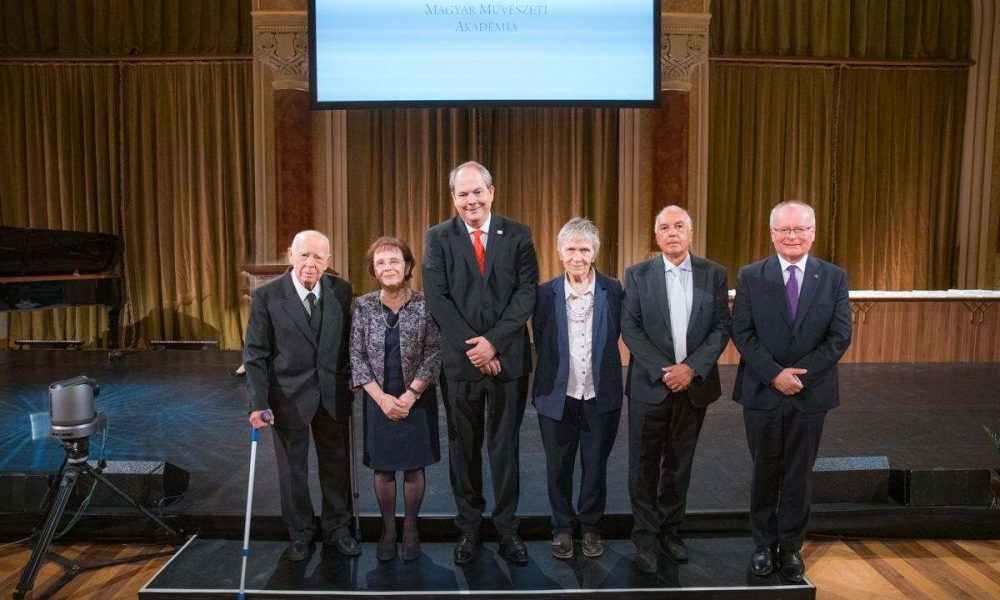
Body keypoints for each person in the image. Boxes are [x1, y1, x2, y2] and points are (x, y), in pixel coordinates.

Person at [422, 160, 539, 565]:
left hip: (508, 361)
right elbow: (438, 298)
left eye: (477, 192)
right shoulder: (438, 238)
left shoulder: (519, 235)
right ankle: (469, 529)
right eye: (462, 194)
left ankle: (508, 530)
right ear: (453, 198)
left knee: (505, 448)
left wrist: (494, 343)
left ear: (491, 192)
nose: (471, 200)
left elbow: (526, 294)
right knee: (464, 448)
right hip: (460, 363)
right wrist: (475, 348)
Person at [731, 200, 851, 582]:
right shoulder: (751, 276)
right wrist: (774, 375)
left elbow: (839, 335)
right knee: (765, 470)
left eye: (800, 229)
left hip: (810, 393)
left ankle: (791, 548)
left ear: (813, 233)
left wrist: (799, 376)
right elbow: (742, 333)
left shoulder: (833, 277)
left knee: (800, 473)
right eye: (784, 229)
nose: (792, 236)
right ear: (772, 234)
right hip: (762, 392)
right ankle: (763, 546)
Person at [620, 205, 731, 574]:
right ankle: (646, 535)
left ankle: (670, 530)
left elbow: (720, 327)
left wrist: (692, 369)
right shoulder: (637, 275)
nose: (672, 232)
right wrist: (665, 371)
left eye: (679, 226)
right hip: (650, 386)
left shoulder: (713, 274)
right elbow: (631, 327)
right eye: (664, 227)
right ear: (656, 236)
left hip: (694, 386)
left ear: (691, 233)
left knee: (679, 464)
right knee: (644, 465)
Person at [243, 230, 359, 562]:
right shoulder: (267, 296)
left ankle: (338, 530)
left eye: (318, 257)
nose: (311, 263)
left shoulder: (341, 290)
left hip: (332, 396)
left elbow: (349, 341)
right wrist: (258, 403)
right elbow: (255, 355)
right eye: (304, 255)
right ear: (290, 254)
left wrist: (352, 373)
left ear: (328, 261)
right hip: (287, 398)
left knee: (336, 468)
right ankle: (300, 533)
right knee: (292, 471)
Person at [532, 217, 623, 560]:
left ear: (595, 253)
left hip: (601, 395)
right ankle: (562, 527)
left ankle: (590, 527)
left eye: (585, 249)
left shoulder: (613, 290)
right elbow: (541, 338)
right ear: (559, 253)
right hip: (557, 395)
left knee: (595, 464)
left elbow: (614, 335)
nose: (578, 257)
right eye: (571, 249)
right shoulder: (544, 293)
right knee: (558, 465)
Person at [349, 236, 441, 562]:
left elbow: (434, 353)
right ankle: (389, 530)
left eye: (394, 261)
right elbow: (356, 357)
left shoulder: (426, 304)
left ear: (407, 266)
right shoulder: (362, 306)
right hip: (378, 401)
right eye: (381, 263)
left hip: (416, 398)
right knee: (383, 470)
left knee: (414, 468)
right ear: (374, 270)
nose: (388, 267)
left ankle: (412, 529)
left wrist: (411, 394)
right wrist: (382, 399)